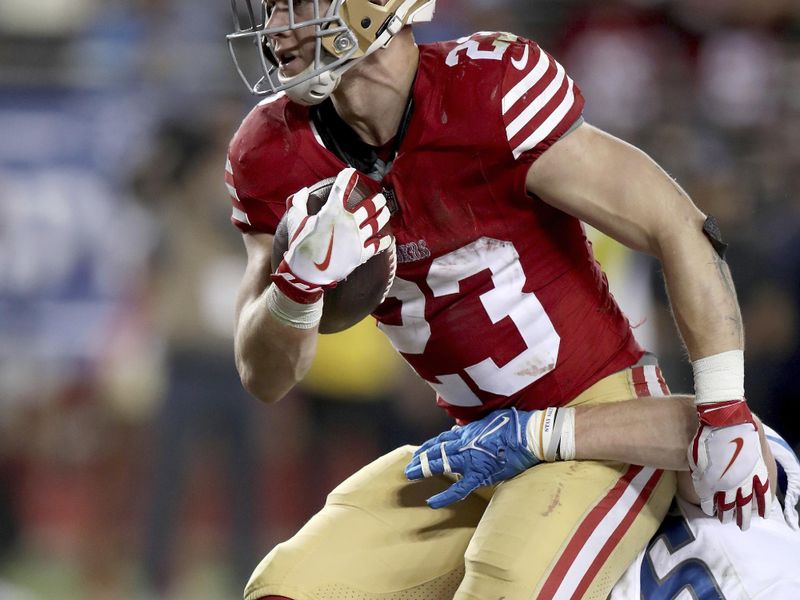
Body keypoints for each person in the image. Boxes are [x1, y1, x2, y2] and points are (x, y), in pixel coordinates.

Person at [224, 1, 771, 597]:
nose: (277, 29)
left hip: (595, 423)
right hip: (471, 443)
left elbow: (676, 224)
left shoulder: (487, 89)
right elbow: (264, 376)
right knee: (284, 588)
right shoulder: (272, 150)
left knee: (505, 586)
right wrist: (295, 290)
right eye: (272, 8)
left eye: (297, 5)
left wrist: (723, 410)